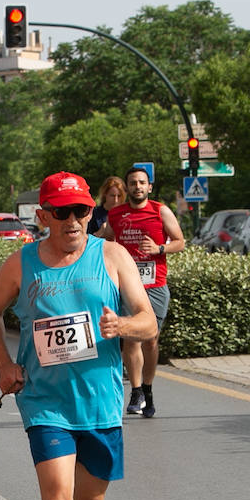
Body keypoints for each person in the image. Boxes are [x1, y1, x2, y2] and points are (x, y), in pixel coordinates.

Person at [0, 171, 156, 500]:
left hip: (100, 401)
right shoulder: (23, 264)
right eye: (63, 212)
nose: (74, 220)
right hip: (45, 402)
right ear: (43, 216)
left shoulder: (113, 256)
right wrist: (3, 363)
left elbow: (148, 319)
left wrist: (123, 324)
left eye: (82, 211)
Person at [97, 166, 185, 417]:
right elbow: (107, 238)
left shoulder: (160, 211)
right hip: (128, 285)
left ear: (149, 187)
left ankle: (147, 388)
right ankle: (135, 391)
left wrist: (159, 249)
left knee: (150, 339)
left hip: (155, 285)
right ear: (128, 187)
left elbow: (180, 242)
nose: (137, 186)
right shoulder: (117, 214)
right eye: (133, 183)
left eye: (142, 182)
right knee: (131, 336)